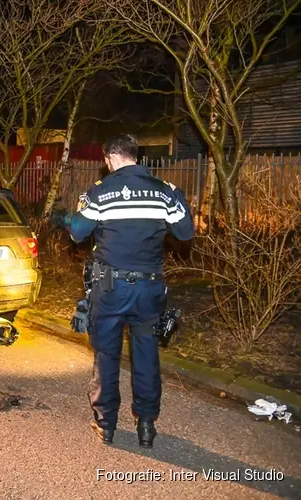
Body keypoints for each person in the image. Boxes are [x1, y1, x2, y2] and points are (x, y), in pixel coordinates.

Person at [51, 134, 195, 448]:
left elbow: (77, 234)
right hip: (149, 289)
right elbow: (185, 232)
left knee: (106, 354)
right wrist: (177, 200)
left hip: (110, 288)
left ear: (110, 159)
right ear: (135, 155)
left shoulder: (101, 193)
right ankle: (146, 425)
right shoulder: (164, 192)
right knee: (146, 354)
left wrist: (72, 214)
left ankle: (106, 425)